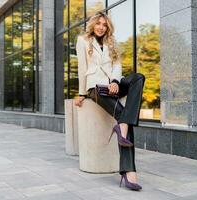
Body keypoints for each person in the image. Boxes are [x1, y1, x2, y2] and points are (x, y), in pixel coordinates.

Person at [74, 11, 145, 191]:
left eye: (104, 25)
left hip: (112, 85)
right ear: (92, 24)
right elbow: (82, 67)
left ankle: (122, 127)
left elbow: (117, 65)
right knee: (123, 116)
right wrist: (82, 93)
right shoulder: (83, 41)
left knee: (138, 77)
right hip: (95, 87)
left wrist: (115, 81)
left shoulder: (112, 42)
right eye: (98, 24)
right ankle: (129, 172)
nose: (101, 27)